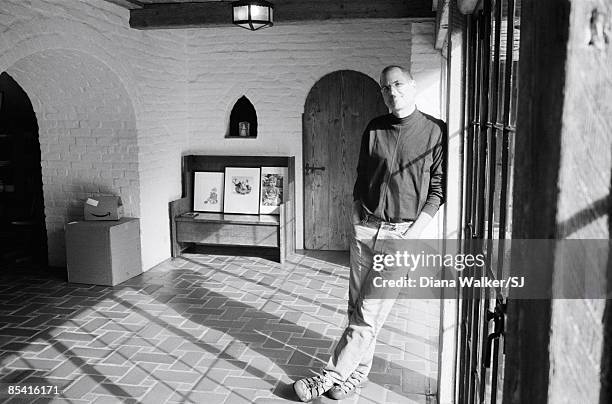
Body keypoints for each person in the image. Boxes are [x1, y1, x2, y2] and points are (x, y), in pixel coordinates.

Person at [293, 65, 446, 402]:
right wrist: (355, 212)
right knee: (357, 309)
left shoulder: (436, 131)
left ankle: (327, 378)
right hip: (366, 228)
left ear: (412, 85)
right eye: (385, 87)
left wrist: (414, 234)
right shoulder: (375, 127)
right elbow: (362, 174)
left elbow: (437, 190)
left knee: (368, 312)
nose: (392, 92)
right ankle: (355, 378)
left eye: (398, 84)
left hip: (402, 234)